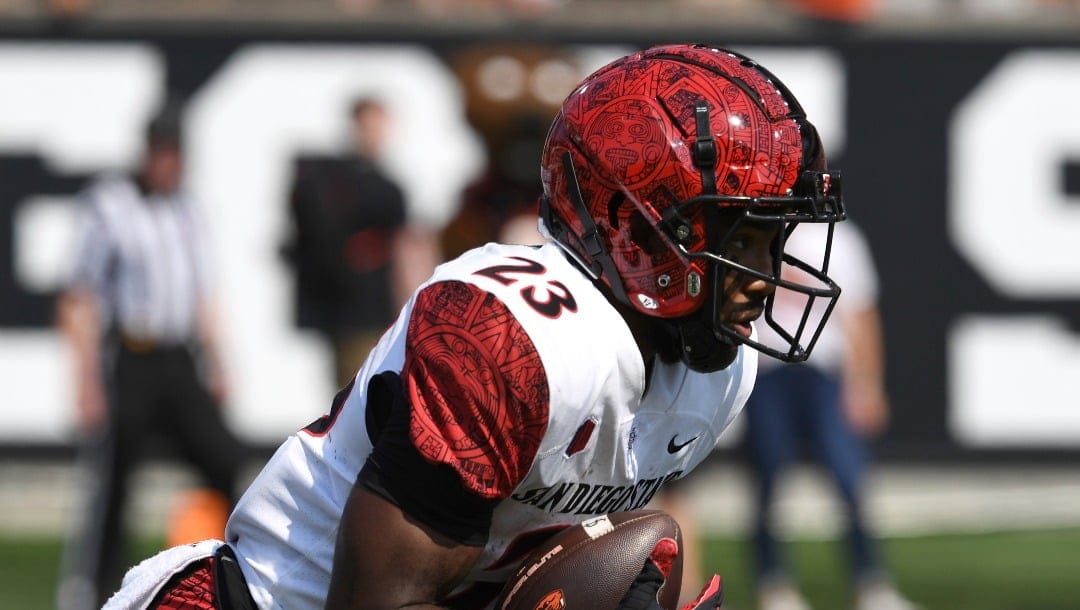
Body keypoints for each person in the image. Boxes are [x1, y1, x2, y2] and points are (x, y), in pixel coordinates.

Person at [103, 44, 847, 610]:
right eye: (736, 237)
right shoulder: (506, 337)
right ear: (635, 228)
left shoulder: (721, 370)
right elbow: (375, 603)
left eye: (771, 239)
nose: (762, 275)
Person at [55, 107, 250, 609]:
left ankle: (243, 575)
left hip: (178, 360)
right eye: (160, 152)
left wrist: (219, 362)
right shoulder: (111, 206)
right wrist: (86, 381)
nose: (168, 164)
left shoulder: (188, 210)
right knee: (115, 479)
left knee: (225, 459)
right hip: (133, 356)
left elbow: (203, 294)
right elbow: (80, 296)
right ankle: (92, 591)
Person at [743, 219, 919, 610]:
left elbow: (860, 314)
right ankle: (774, 585)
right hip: (766, 370)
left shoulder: (840, 237)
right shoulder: (758, 228)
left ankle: (870, 582)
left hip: (824, 369)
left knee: (849, 477)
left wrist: (867, 381)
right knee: (768, 481)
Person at [284, 97, 409, 387]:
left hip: (382, 306)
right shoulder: (331, 182)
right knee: (356, 389)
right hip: (349, 310)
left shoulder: (389, 187)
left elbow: (404, 247)